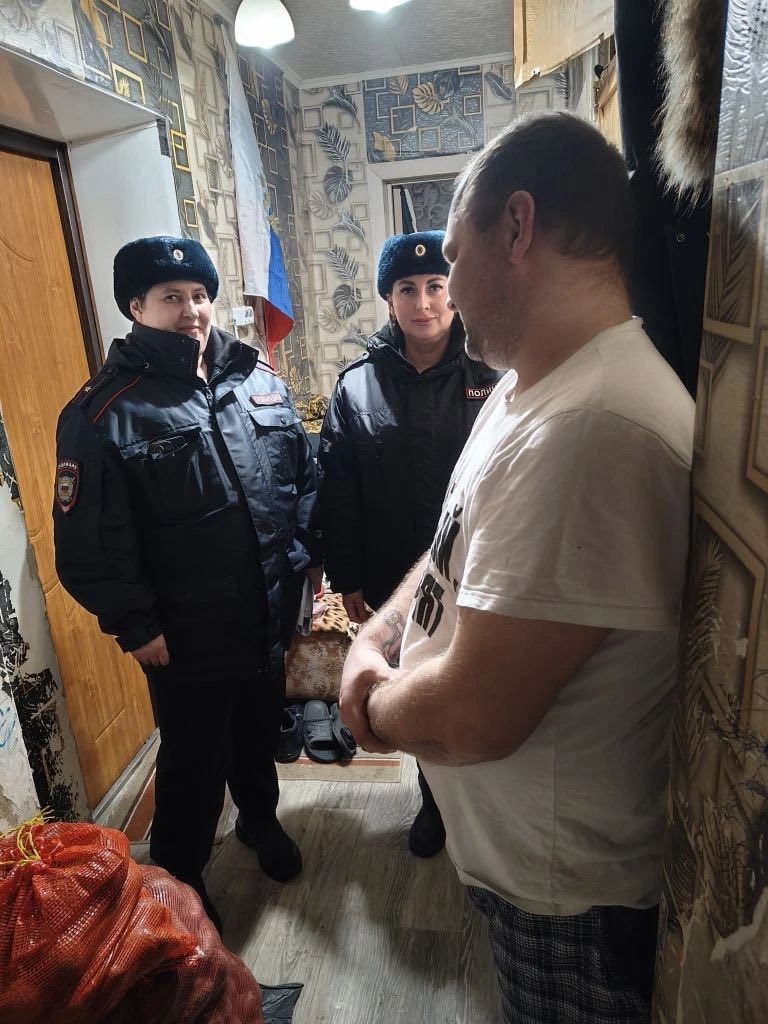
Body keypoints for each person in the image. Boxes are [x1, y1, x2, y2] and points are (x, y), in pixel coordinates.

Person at [339, 112, 695, 1022]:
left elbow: (478, 713)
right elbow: (449, 545)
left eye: (454, 258)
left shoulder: (595, 423)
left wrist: (370, 704)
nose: (448, 289)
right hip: (518, 865)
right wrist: (380, 632)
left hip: (565, 897)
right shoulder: (527, 383)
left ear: (518, 227)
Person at [53, 236, 321, 931]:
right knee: (192, 763)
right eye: (171, 297)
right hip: (184, 634)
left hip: (264, 613)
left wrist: (300, 567)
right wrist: (135, 625)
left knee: (258, 734)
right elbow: (86, 547)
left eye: (199, 295)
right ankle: (181, 880)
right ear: (135, 307)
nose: (191, 309)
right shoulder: (104, 412)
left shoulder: (255, 378)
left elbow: (302, 478)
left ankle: (259, 821)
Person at [318, 230, 501, 857]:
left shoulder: (493, 373)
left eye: (435, 286)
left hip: (480, 568)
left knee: (480, 685)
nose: (423, 302)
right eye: (407, 289)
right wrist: (348, 580)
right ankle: (433, 802)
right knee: (414, 685)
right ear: (388, 299)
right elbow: (337, 491)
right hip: (395, 577)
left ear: (453, 292)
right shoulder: (356, 386)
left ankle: (480, 806)